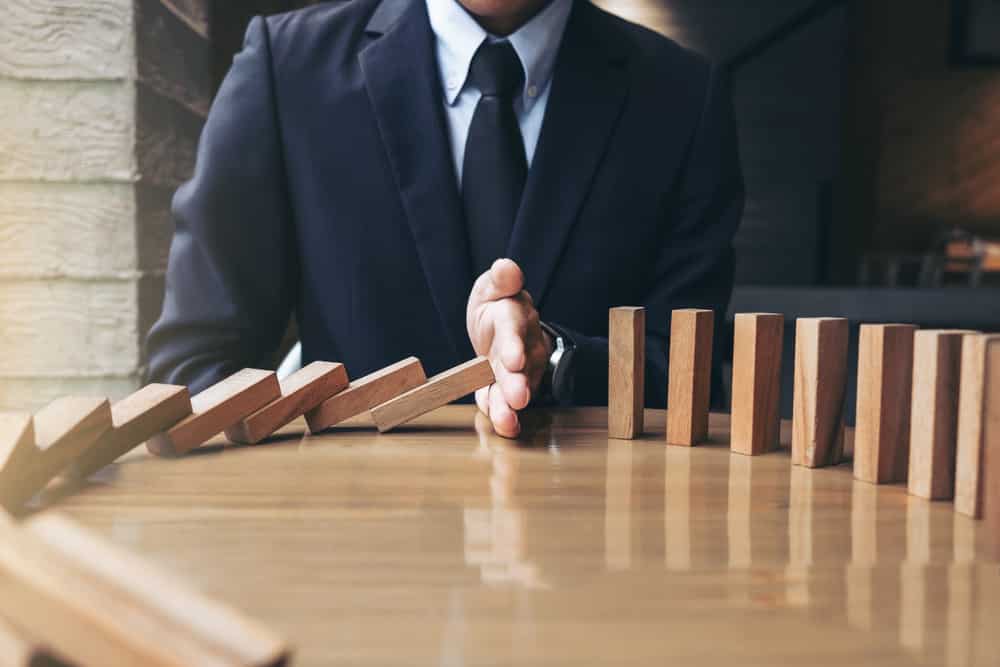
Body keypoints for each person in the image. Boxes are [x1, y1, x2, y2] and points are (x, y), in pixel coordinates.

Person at [146, 0, 744, 438]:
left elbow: (688, 377)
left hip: (588, 563)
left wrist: (554, 359)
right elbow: (196, 369)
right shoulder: (288, 70)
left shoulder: (682, 96)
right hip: (353, 565)